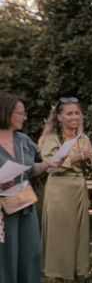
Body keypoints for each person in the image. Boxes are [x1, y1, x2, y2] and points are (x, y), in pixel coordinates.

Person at [0, 93, 60, 283]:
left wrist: (49, 163)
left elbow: (31, 168)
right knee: (6, 256)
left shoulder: (23, 139)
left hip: (25, 205)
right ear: (6, 113)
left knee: (30, 253)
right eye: (21, 113)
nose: (24, 117)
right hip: (2, 211)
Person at [40, 97, 92, 282]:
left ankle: (73, 274)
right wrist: (74, 158)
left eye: (77, 113)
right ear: (60, 117)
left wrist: (88, 159)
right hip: (58, 191)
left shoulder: (83, 138)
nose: (74, 117)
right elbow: (49, 165)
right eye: (69, 113)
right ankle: (57, 275)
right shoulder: (51, 139)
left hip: (78, 189)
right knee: (59, 235)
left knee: (77, 235)